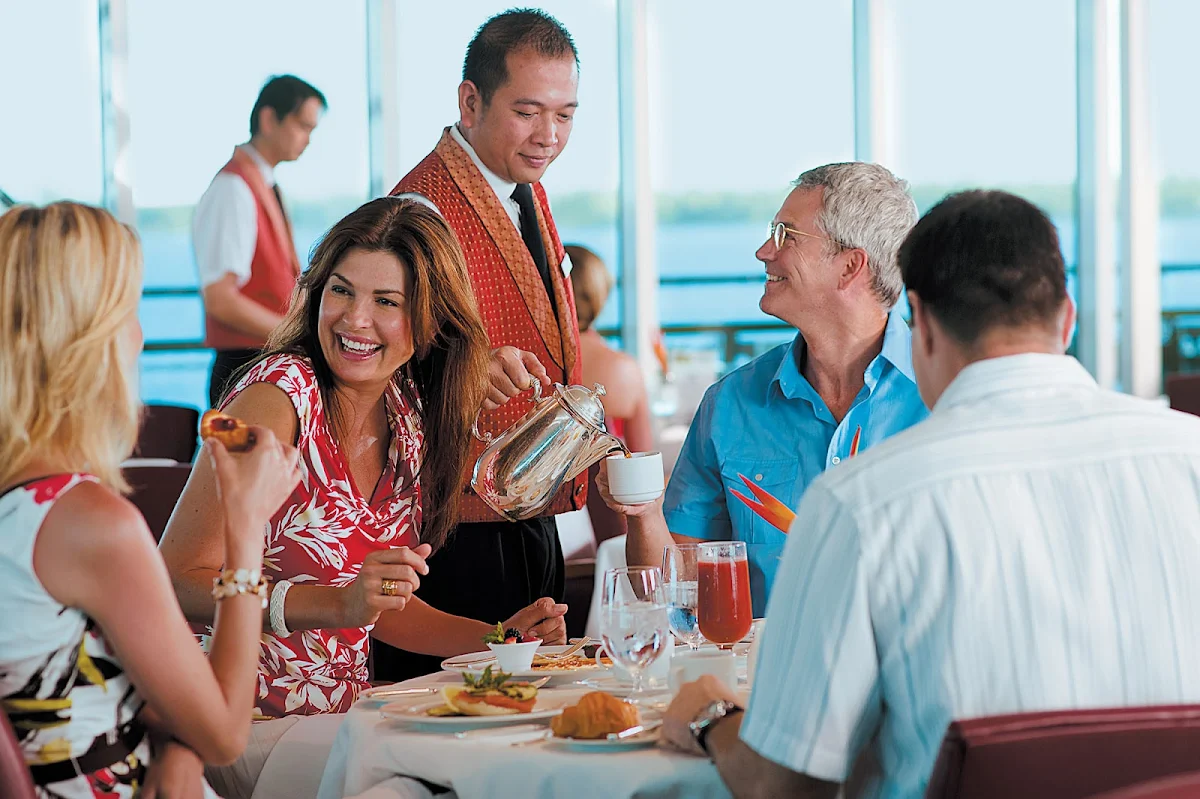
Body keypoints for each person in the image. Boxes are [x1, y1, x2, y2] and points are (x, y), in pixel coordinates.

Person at [662, 189, 1200, 798]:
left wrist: (708, 716)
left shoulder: (862, 504)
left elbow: (784, 786)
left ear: (920, 325)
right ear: (1068, 317)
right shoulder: (1192, 454)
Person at [159, 198, 568, 798]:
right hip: (236, 724)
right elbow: (175, 580)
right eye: (341, 291)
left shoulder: (407, 416)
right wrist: (334, 607)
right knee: (447, 772)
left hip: (338, 727)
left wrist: (499, 639)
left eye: (387, 302)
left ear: (430, 321)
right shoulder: (277, 400)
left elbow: (379, 605)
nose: (354, 319)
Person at [0, 202, 300, 798]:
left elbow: (91, 683)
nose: (138, 336)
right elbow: (223, 734)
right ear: (87, 340)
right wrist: (245, 527)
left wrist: (172, 748)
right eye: (128, 312)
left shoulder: (25, 507)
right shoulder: (90, 523)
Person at [600, 162, 929, 614]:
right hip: (761, 679)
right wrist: (644, 512)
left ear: (850, 266)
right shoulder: (731, 403)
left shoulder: (945, 397)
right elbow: (670, 594)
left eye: (786, 235)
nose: (762, 251)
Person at [381, 9, 583, 679]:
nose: (548, 135)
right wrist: (468, 362)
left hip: (525, 503)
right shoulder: (422, 207)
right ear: (470, 101)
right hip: (457, 523)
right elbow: (373, 357)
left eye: (564, 115)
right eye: (528, 112)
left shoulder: (523, 190)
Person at [195, 74, 326, 407]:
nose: (308, 140)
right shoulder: (233, 189)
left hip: (260, 358)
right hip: (244, 363)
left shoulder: (258, 185)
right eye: (302, 126)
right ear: (269, 119)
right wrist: (293, 334)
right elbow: (220, 299)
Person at [567, 243, 654, 543]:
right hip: (612, 540)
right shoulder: (625, 369)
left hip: (545, 534)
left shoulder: (532, 367)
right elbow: (644, 465)